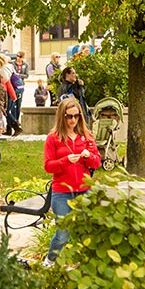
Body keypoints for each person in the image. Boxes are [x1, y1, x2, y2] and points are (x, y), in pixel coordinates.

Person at [42, 97, 101, 266]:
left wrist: (89, 156)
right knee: (62, 234)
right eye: (69, 116)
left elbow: (97, 162)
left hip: (84, 190)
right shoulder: (53, 138)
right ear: (62, 116)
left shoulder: (86, 136)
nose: (73, 120)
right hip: (62, 192)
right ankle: (50, 261)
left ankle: (86, 264)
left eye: (76, 116)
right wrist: (66, 160)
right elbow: (48, 166)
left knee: (88, 231)